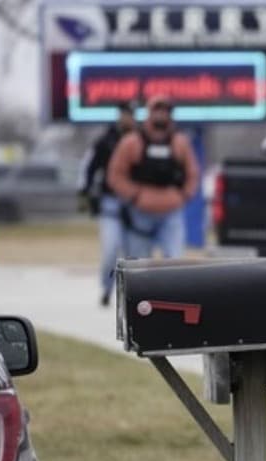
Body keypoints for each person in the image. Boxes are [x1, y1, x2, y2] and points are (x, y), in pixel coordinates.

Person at [107, 94, 200, 259]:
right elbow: (115, 175)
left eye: (165, 111)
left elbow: (192, 173)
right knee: (139, 263)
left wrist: (183, 195)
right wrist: (135, 195)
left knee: (174, 261)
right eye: (157, 110)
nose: (161, 115)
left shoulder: (180, 142)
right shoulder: (132, 142)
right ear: (149, 113)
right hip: (140, 213)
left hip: (171, 212)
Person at [77, 100, 136, 306]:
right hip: (110, 202)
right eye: (123, 113)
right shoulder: (106, 141)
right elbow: (89, 167)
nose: (126, 117)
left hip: (135, 204)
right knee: (111, 250)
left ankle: (132, 295)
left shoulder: (141, 139)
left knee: (133, 254)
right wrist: (85, 192)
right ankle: (106, 288)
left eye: (129, 113)